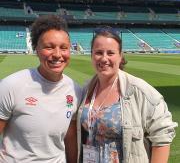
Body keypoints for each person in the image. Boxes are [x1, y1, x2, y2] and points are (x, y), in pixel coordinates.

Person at [77, 27, 177, 163]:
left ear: (120, 56)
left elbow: (162, 133)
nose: (104, 58)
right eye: (98, 52)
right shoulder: (87, 88)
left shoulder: (138, 90)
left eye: (110, 53)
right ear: (92, 56)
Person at [0, 15, 82, 162]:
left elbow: (70, 137)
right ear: (36, 49)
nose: (57, 54)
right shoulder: (11, 85)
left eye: (63, 48)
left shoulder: (75, 90)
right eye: (49, 47)